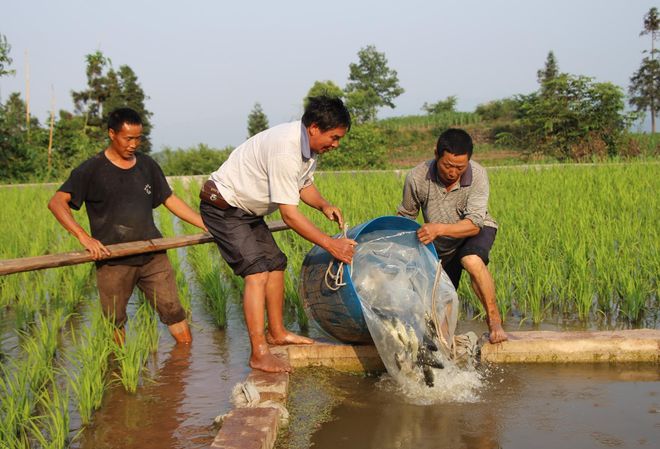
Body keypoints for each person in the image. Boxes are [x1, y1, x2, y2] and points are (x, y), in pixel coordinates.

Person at [200, 96, 357, 373]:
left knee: (275, 263)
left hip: (247, 210)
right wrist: (331, 245)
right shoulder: (286, 149)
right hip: (223, 205)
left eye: (339, 139)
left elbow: (303, 186)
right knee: (257, 271)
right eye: (334, 137)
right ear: (314, 128)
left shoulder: (309, 150)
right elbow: (289, 215)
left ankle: (277, 332)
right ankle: (259, 352)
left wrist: (323, 205)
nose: (336, 144)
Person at [48, 107, 206, 344]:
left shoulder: (147, 165)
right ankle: (122, 369)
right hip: (113, 259)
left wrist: (204, 224)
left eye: (138, 138)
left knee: (173, 310)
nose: (133, 144)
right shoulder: (91, 169)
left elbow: (168, 199)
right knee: (116, 319)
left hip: (152, 254)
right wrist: (84, 237)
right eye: (128, 138)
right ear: (112, 133)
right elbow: (57, 202)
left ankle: (184, 365)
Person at [397, 128, 508, 344]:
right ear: (436, 155)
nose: (453, 172)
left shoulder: (477, 175)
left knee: (472, 260)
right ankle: (445, 344)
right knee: (441, 303)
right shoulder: (417, 178)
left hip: (474, 229)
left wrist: (437, 228)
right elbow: (406, 216)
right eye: (448, 165)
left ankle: (494, 321)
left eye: (460, 167)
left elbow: (475, 223)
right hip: (441, 245)